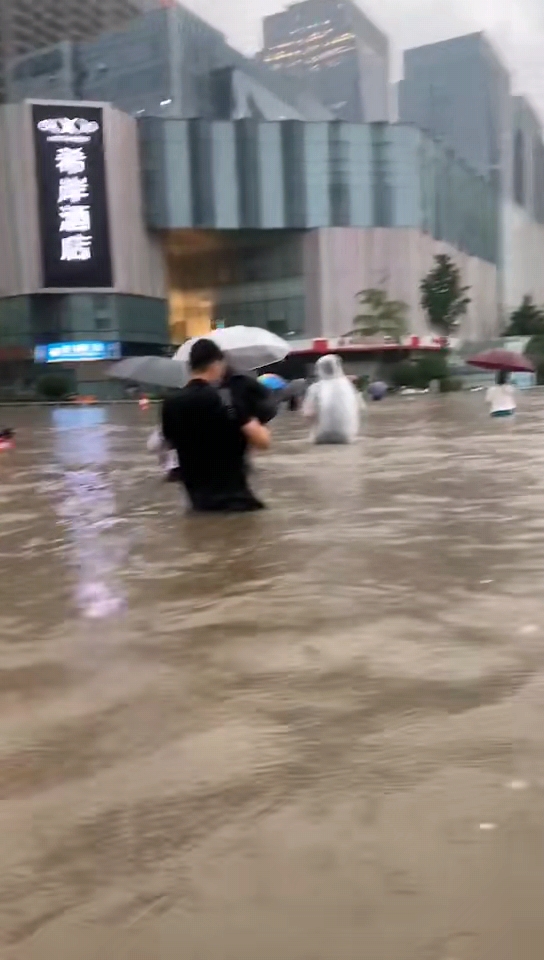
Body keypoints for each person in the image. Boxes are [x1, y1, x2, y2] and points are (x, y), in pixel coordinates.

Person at [161, 339, 270, 512]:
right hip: (238, 503)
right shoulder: (226, 398)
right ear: (216, 364)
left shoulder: (170, 403)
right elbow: (263, 441)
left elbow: (168, 447)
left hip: (198, 505)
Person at [302, 354, 364, 444]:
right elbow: (360, 408)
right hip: (346, 436)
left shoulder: (315, 387)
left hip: (322, 436)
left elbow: (308, 414)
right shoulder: (348, 386)